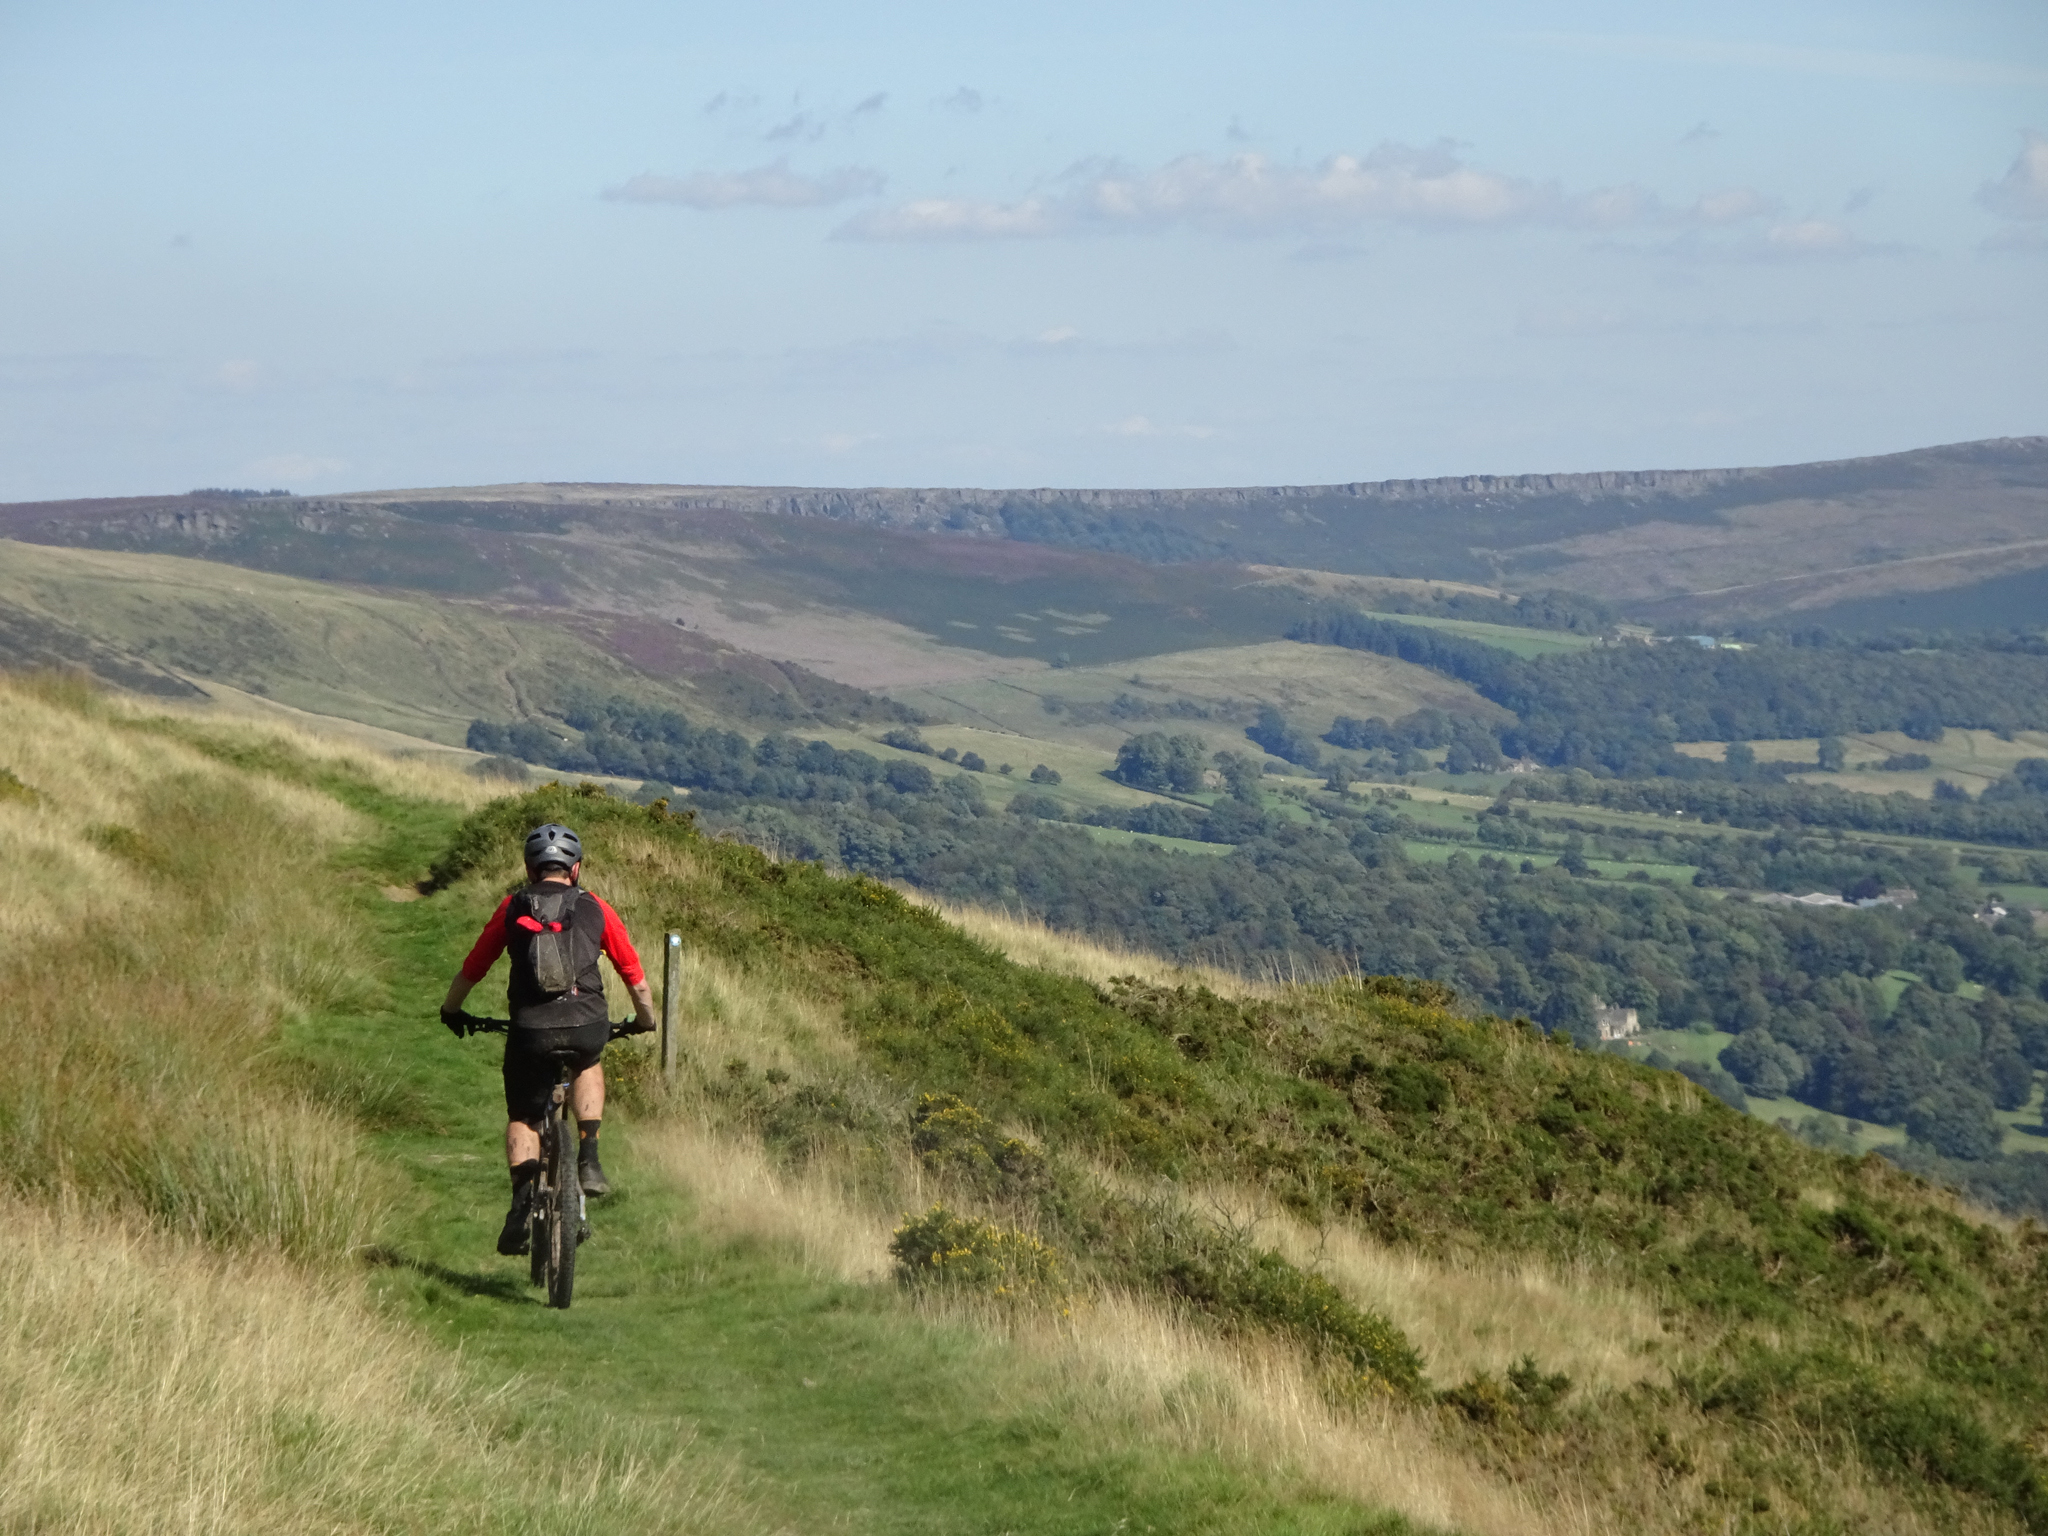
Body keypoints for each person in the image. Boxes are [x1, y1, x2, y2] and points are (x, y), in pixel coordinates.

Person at [439, 822, 656, 1256]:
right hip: (586, 1022)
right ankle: (589, 1156)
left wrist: (451, 1010)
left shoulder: (512, 907)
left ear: (529, 868)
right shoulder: (596, 906)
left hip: (531, 1029)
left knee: (523, 1114)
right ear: (575, 869)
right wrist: (646, 1020)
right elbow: (633, 975)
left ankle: (520, 1206)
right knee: (588, 1061)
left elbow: (474, 967)